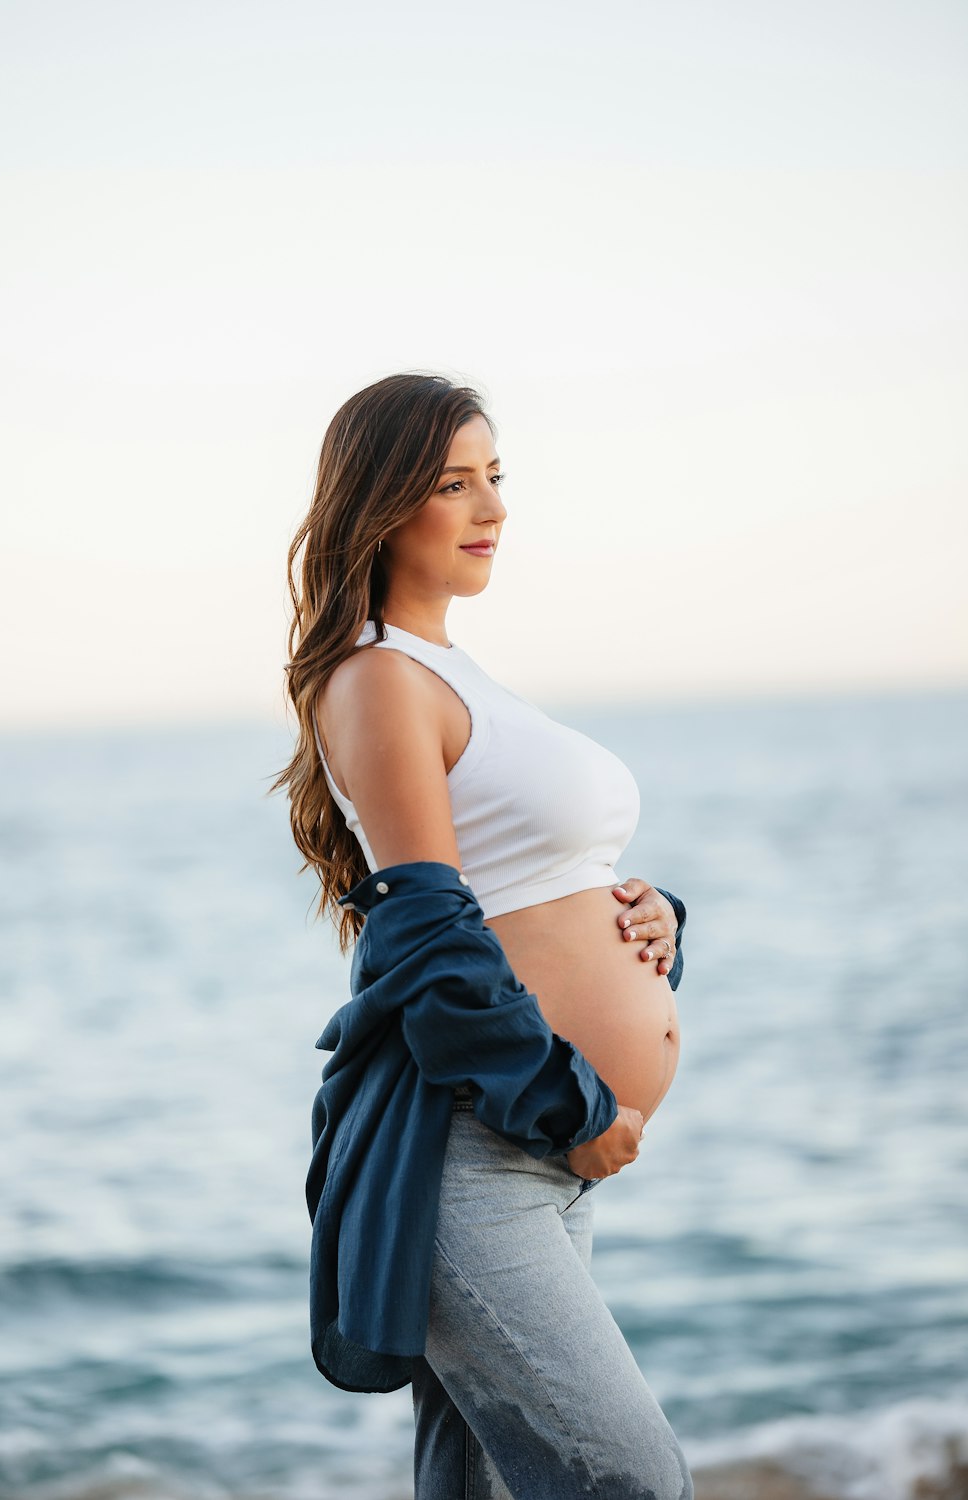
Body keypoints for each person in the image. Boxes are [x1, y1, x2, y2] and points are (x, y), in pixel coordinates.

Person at [271, 372, 693, 1499]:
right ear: (380, 504)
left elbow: (532, 892)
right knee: (635, 1484)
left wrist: (651, 923)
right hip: (483, 1149)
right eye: (453, 484)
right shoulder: (377, 679)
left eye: (494, 478)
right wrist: (570, 1102)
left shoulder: (457, 674)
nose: (491, 509)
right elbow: (427, 929)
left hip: (543, 1156)